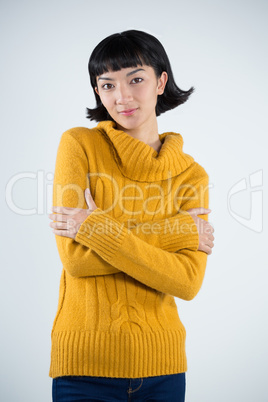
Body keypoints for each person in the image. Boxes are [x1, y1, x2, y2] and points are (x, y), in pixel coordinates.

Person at [48, 29, 214, 402]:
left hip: (164, 367)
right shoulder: (79, 146)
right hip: (83, 367)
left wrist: (97, 229)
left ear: (161, 81)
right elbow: (75, 260)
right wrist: (177, 232)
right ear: (97, 91)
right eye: (106, 85)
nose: (121, 97)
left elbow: (187, 282)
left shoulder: (191, 176)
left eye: (136, 79)